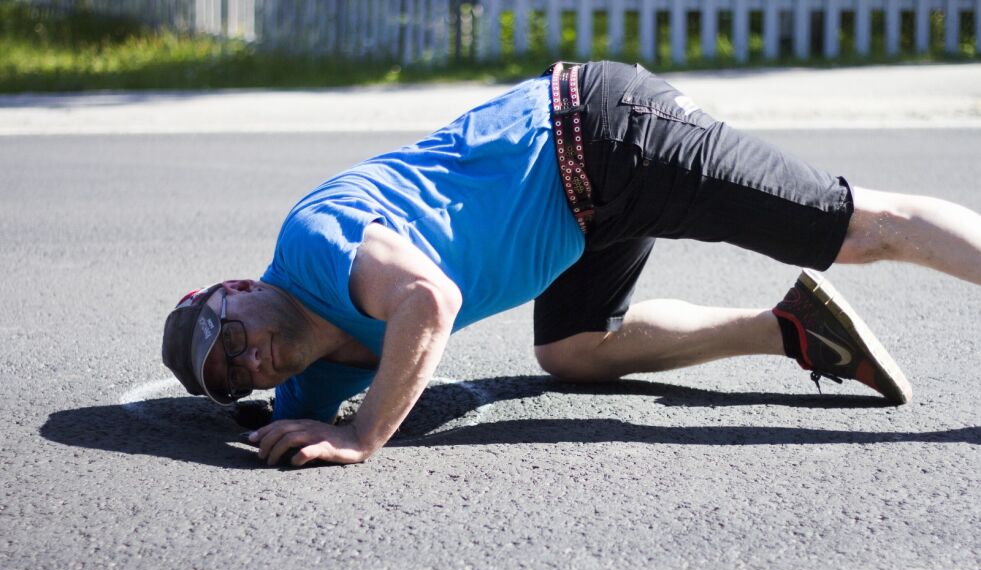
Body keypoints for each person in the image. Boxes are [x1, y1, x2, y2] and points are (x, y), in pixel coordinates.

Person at [161, 61, 981, 467]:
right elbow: (287, 417)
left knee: (859, 229)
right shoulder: (303, 371)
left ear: (238, 289)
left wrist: (365, 434)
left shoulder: (313, 244)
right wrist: (282, 427)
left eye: (232, 340)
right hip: (584, 212)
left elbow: (427, 297)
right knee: (574, 350)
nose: (249, 362)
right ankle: (789, 328)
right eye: (234, 375)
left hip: (603, 133)